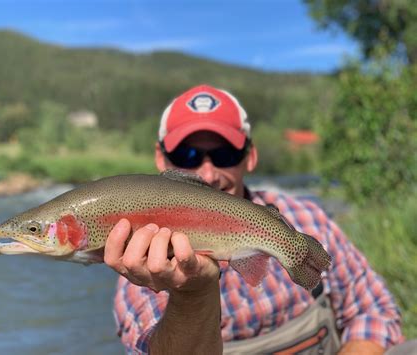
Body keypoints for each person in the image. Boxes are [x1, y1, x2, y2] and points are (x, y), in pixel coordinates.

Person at [105, 84, 403, 354]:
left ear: (250, 156)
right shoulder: (138, 265)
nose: (208, 174)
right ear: (161, 159)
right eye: (188, 154)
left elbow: (374, 309)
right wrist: (191, 295)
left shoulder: (307, 220)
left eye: (224, 155)